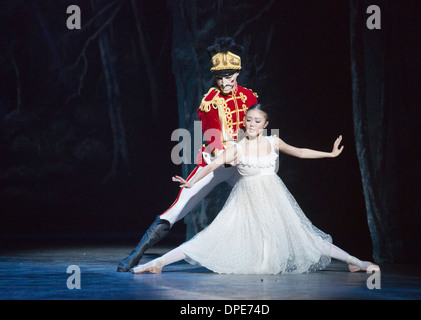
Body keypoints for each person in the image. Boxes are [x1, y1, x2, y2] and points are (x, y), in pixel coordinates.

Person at [132, 104, 379, 274]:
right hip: (245, 202)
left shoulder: (274, 141)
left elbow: (301, 152)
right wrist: (191, 182)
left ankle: (356, 262)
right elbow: (214, 165)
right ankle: (159, 263)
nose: (251, 124)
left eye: (257, 121)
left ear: (265, 124)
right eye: (248, 120)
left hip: (274, 200)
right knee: (210, 238)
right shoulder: (236, 148)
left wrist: (330, 154)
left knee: (307, 237)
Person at [117, 37, 258, 272]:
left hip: (241, 162)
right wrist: (227, 154)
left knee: (261, 201)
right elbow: (213, 139)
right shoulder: (210, 103)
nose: (224, 81)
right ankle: (136, 254)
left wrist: (246, 150)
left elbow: (254, 128)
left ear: (238, 73)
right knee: (177, 208)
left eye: (229, 75)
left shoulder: (250, 97)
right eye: (220, 76)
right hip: (215, 163)